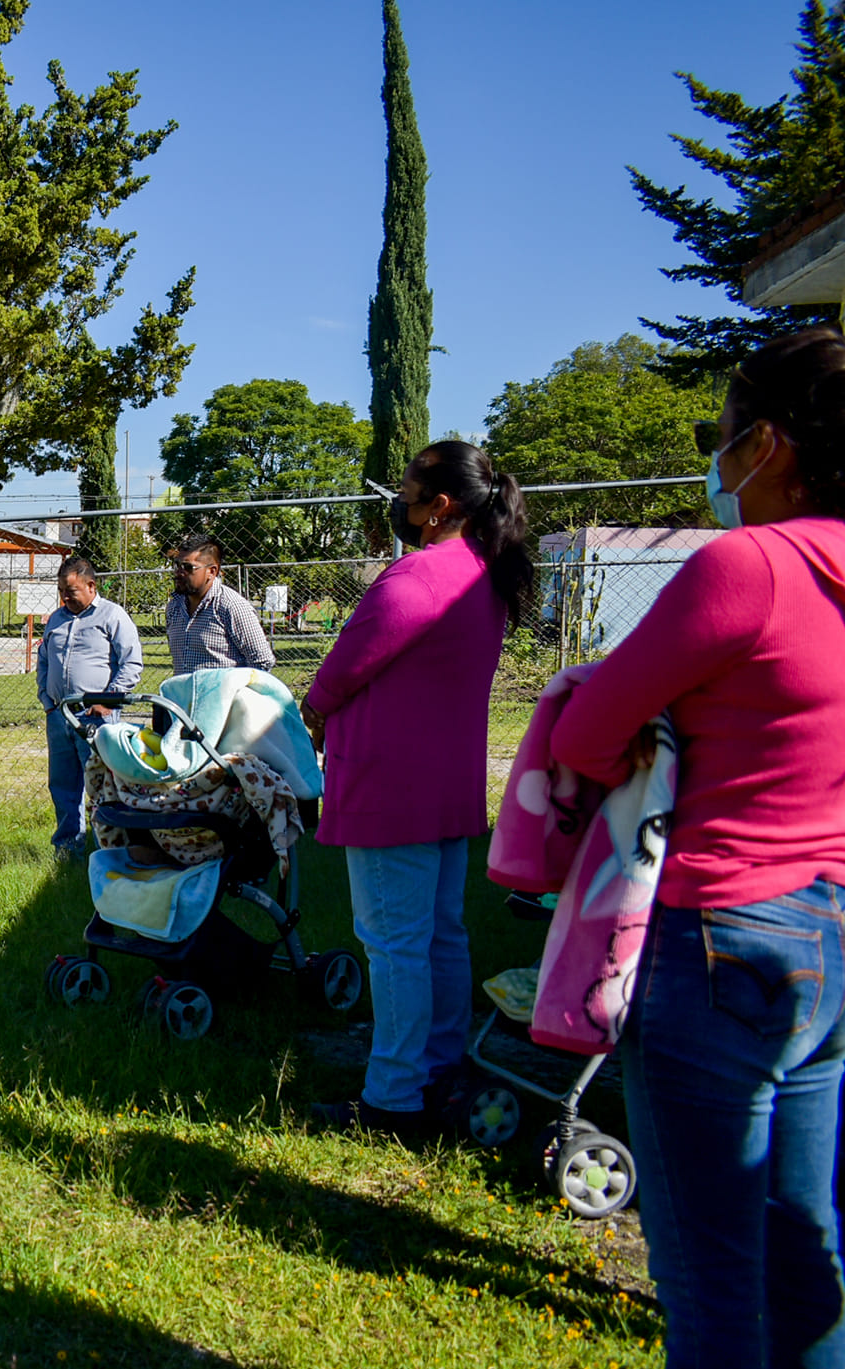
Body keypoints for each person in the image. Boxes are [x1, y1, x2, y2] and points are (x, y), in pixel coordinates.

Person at [549, 329, 845, 1365]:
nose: (714, 461)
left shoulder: (748, 567)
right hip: (830, 935)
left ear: (766, 443)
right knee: (801, 1250)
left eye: (717, 437)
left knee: (711, 1276)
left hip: (723, 933)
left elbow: (581, 735)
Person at [299, 442, 535, 1135]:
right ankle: (437, 1067)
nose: (398, 503)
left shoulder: (418, 577)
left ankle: (393, 1099)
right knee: (439, 936)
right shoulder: (482, 574)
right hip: (443, 785)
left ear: (440, 507)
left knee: (393, 941)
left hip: (389, 787)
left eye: (407, 492)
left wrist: (310, 712)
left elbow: (342, 669)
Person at [34, 555, 144, 858]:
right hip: (59, 715)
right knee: (62, 785)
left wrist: (107, 701)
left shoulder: (113, 616)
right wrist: (47, 701)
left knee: (102, 785)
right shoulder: (57, 619)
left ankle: (106, 849)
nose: (65, 597)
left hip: (95, 718)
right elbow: (43, 662)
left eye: (71, 591)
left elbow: (131, 663)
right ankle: (68, 848)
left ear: (91, 585)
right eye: (61, 591)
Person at [164, 535, 275, 675]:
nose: (179, 573)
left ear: (212, 571)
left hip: (225, 696)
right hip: (183, 696)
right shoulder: (174, 607)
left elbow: (262, 661)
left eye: (187, 567)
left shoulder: (231, 606)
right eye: (177, 565)